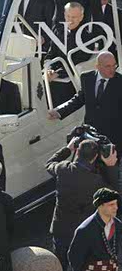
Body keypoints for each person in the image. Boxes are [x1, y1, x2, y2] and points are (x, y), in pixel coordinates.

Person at [46, 138, 118, 270]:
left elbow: (49, 164)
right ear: (95, 157)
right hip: (82, 235)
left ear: (77, 152)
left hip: (60, 230)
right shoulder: (96, 182)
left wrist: (67, 149)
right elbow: (116, 193)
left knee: (60, 264)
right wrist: (111, 166)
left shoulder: (63, 169)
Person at [48, 52, 122, 152]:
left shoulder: (119, 81)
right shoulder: (87, 78)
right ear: (97, 66)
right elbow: (79, 99)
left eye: (114, 65)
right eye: (108, 66)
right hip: (91, 135)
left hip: (113, 138)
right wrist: (59, 111)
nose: (112, 69)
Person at [68, 188, 122, 271]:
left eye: (116, 204)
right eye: (111, 205)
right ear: (100, 206)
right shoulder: (85, 230)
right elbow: (75, 259)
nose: (116, 207)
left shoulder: (118, 225)